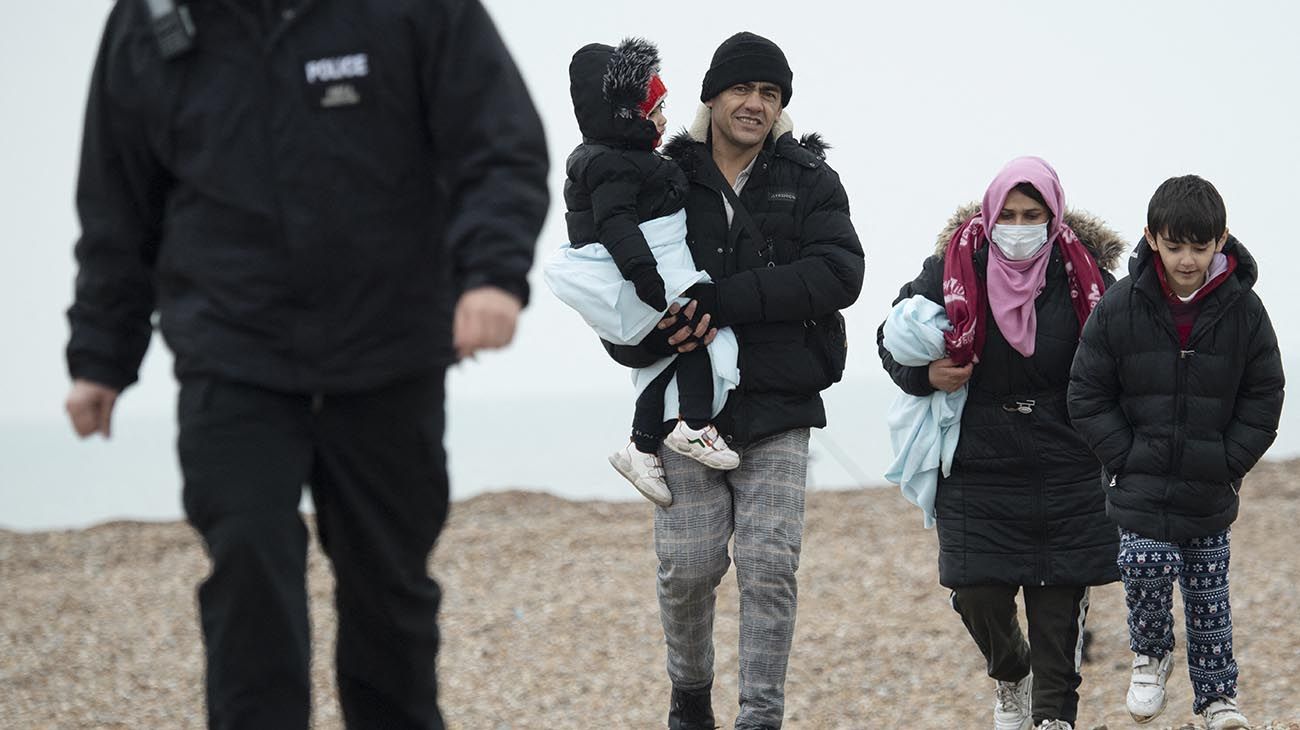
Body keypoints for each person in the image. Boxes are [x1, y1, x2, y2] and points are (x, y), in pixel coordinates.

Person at [62, 1, 548, 728]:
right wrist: (101, 353)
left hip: (388, 350)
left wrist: (493, 275)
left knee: (390, 592)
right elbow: (116, 198)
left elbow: (498, 142)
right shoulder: (150, 19)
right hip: (231, 351)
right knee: (249, 573)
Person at [603, 31, 864, 730]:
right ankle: (690, 695)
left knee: (769, 567)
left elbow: (841, 274)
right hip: (683, 412)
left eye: (770, 94)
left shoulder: (811, 178)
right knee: (686, 568)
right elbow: (615, 275)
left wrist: (724, 300)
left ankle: (760, 717)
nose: (754, 103)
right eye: (743, 89)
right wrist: (646, 338)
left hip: (780, 405)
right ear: (712, 94)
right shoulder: (661, 173)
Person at [876, 157, 1124, 730]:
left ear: (1053, 215)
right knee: (975, 593)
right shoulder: (951, 266)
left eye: (1031, 214)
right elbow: (890, 338)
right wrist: (924, 375)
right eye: (1007, 214)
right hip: (977, 468)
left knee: (1059, 622)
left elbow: (1131, 354)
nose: (1017, 225)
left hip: (1067, 467)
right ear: (989, 215)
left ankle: (1052, 717)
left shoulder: (1087, 277)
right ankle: (1011, 674)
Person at [1067, 175, 1283, 730]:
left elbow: (1265, 393)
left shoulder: (1245, 310)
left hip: (1210, 480)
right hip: (1138, 478)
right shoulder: (1119, 306)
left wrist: (1230, 460)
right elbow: (1087, 391)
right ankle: (1151, 656)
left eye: (1200, 245)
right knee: (1145, 564)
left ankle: (1216, 696)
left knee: (1209, 589)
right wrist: (1124, 456)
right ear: (1151, 239)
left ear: (1221, 240)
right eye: (1174, 245)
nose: (1187, 259)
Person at [545, 38, 741, 508]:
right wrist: (648, 279)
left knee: (667, 357)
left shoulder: (627, 159)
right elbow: (617, 226)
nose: (664, 120)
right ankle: (694, 426)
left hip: (649, 268)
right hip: (645, 273)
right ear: (628, 115)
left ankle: (642, 444)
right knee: (695, 330)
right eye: (656, 111)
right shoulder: (612, 163)